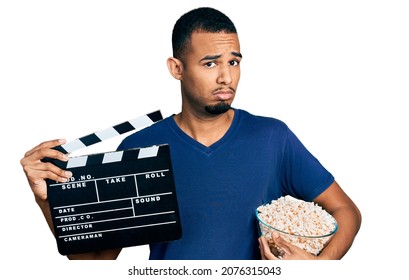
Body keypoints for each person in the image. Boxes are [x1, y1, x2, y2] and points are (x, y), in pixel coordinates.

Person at [20, 7, 361, 260]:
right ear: (177, 69)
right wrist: (47, 200)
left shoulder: (272, 138)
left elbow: (346, 212)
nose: (226, 77)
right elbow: (94, 260)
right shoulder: (139, 147)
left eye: (234, 62)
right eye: (211, 63)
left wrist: (318, 266)